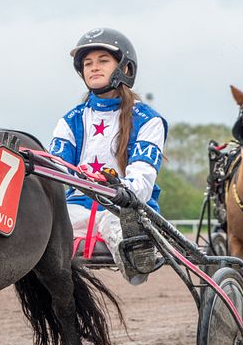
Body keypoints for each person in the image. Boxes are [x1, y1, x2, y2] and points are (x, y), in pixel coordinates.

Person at [49, 27, 167, 285]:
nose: (94, 68)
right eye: (88, 63)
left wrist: (120, 192)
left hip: (127, 209)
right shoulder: (71, 120)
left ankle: (138, 256)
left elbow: (142, 181)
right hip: (77, 210)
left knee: (119, 227)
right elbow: (56, 174)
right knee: (39, 226)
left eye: (103, 61)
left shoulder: (148, 120)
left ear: (125, 68)